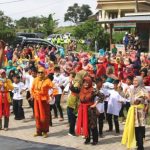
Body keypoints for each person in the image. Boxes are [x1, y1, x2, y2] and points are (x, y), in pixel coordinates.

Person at [122, 76, 149, 150]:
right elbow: (125, 96)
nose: (134, 82)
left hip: (140, 112)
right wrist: (123, 90)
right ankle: (138, 143)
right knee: (134, 128)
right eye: (134, 80)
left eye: (136, 81)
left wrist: (143, 99)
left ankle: (140, 146)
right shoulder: (131, 89)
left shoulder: (143, 89)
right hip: (132, 111)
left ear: (140, 81)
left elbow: (147, 99)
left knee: (140, 128)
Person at [76, 76, 105, 145]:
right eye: (84, 83)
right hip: (83, 109)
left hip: (91, 110)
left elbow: (102, 96)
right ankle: (87, 139)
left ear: (90, 82)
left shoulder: (93, 90)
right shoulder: (81, 89)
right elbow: (74, 90)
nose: (85, 84)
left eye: (87, 82)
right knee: (86, 124)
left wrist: (95, 104)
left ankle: (95, 140)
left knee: (93, 125)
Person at [31, 67, 54, 138]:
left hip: (44, 100)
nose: (40, 74)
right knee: (37, 116)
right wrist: (33, 95)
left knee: (44, 117)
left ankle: (45, 131)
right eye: (39, 72)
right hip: (36, 100)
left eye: (41, 72)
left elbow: (55, 88)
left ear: (44, 73)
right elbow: (32, 89)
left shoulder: (47, 80)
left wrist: (51, 96)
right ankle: (38, 131)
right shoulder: (35, 80)